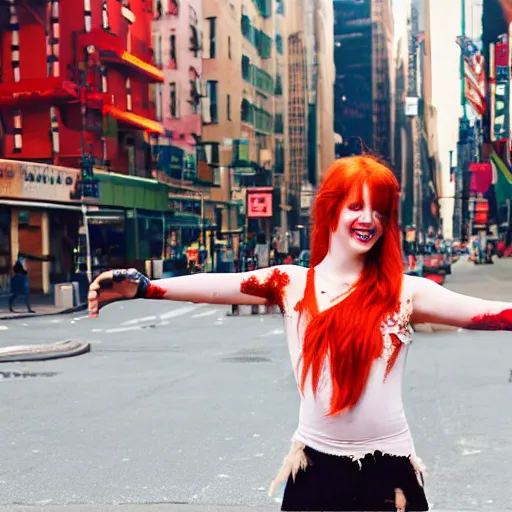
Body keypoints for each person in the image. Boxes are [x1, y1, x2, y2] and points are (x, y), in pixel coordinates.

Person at [88, 155, 512, 512]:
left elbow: (487, 314)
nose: (369, 220)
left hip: (389, 476)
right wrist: (147, 287)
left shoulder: (405, 291)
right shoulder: (292, 283)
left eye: (380, 211)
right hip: (314, 471)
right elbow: (220, 285)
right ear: (331, 209)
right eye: (356, 207)